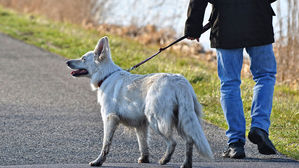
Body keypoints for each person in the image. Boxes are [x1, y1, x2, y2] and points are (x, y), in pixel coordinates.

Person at [184, 0, 277, 159]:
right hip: (258, 19)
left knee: (229, 84)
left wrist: (193, 27)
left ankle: (235, 144)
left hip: (226, 23)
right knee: (265, 76)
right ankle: (259, 127)